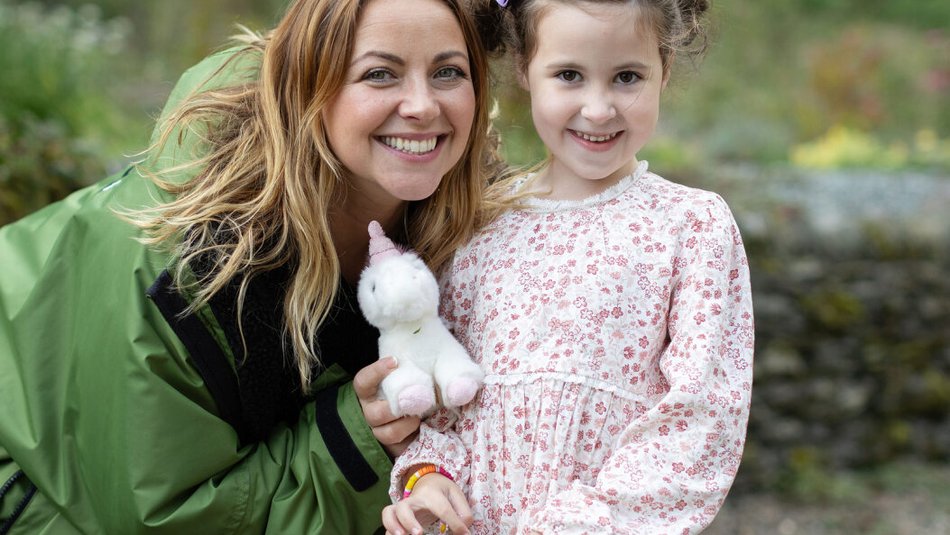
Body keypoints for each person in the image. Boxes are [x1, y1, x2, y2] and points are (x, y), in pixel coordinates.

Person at [0, 0, 498, 532]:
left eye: (448, 72)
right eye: (379, 74)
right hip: (30, 482)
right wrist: (352, 440)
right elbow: (159, 518)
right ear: (307, 87)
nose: (422, 105)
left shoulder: (474, 232)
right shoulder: (181, 272)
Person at [382, 0, 754, 533]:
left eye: (627, 76)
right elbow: (445, 401)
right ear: (525, 70)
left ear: (664, 70)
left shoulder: (690, 227)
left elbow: (700, 419)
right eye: (569, 75)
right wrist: (429, 478)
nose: (598, 109)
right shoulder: (477, 224)